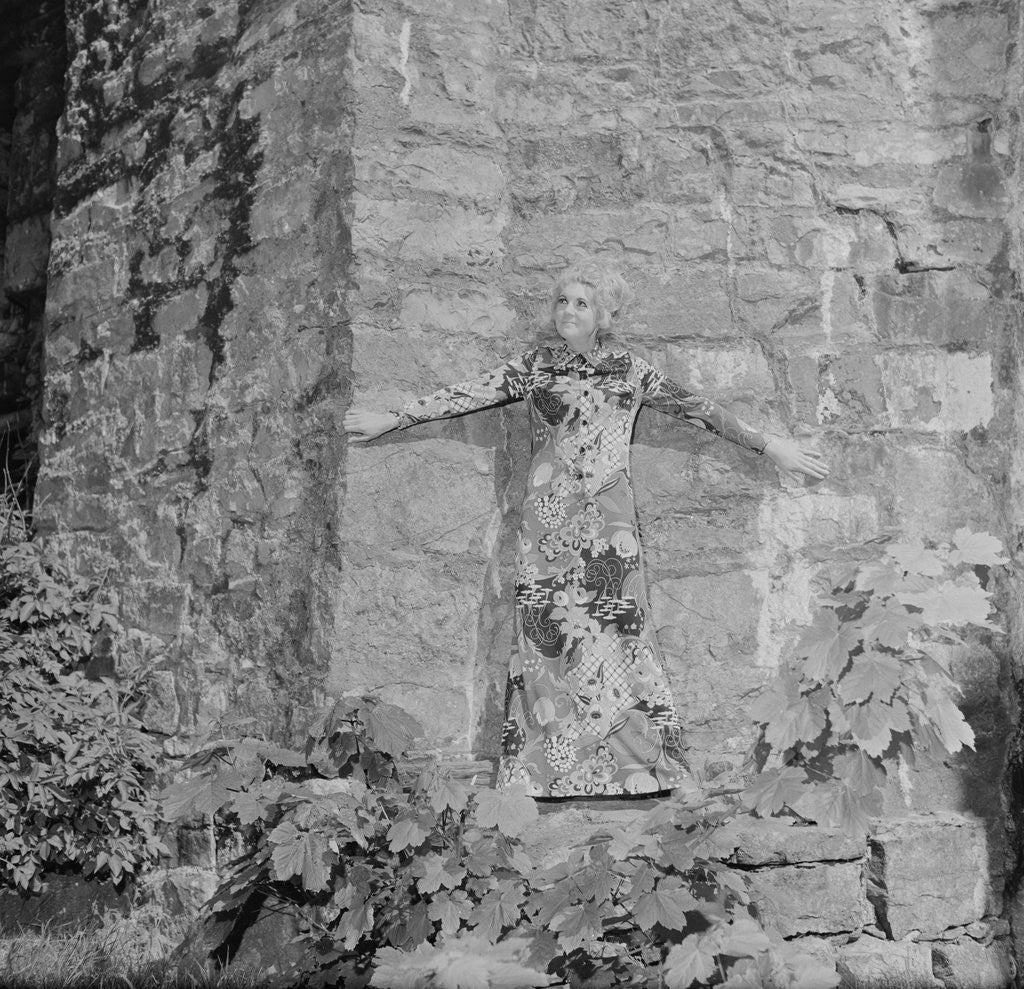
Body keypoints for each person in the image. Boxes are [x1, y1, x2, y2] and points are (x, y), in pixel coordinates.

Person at [344, 261, 829, 799]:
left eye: (582, 303)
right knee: (543, 639)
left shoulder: (630, 370)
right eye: (562, 301)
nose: (569, 311)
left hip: (607, 524)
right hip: (546, 525)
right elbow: (467, 393)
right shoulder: (535, 366)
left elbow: (702, 410)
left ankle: (642, 768)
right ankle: (541, 771)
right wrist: (396, 416)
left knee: (618, 632)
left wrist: (771, 445)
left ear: (604, 314)